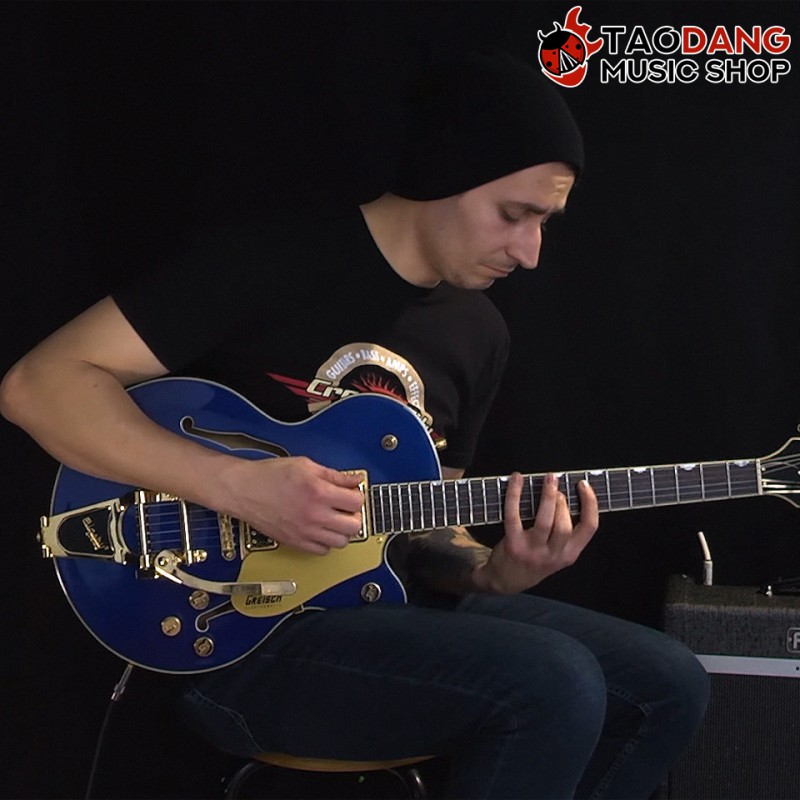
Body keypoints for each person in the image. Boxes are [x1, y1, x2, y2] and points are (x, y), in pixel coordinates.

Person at [0, 52, 708, 799]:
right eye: (514, 215)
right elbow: (37, 386)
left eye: (543, 223)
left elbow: (427, 532)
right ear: (445, 174)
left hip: (380, 604)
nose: (530, 253)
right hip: (231, 631)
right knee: (553, 679)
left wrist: (493, 572)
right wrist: (240, 488)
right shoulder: (270, 260)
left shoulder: (478, 331)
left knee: (668, 681)